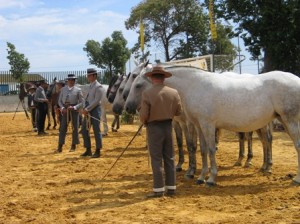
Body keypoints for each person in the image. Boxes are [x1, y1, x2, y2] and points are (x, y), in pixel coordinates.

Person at [139, 66, 182, 198]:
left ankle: (158, 189)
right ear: (163, 77)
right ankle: (171, 187)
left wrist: (145, 122)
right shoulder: (174, 92)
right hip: (168, 126)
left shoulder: (147, 93)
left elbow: (144, 115)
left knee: (156, 159)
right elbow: (179, 111)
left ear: (152, 77)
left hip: (154, 128)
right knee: (169, 157)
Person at [55, 75, 84, 153]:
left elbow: (82, 102)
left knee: (75, 128)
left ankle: (73, 145)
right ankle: (60, 146)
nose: (71, 81)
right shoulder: (63, 89)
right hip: (65, 110)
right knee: (63, 128)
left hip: (74, 110)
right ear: (67, 81)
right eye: (70, 80)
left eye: (73, 80)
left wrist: (75, 107)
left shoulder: (78, 90)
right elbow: (59, 101)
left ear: (75, 81)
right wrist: (62, 108)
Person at [81, 68, 104, 158]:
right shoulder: (90, 86)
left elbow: (96, 101)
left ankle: (98, 150)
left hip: (95, 110)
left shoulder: (98, 86)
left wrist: (87, 109)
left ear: (94, 76)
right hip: (88, 110)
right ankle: (88, 149)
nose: (88, 77)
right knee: (84, 130)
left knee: (96, 130)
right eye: (88, 75)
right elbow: (87, 99)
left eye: (89, 75)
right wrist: (85, 107)